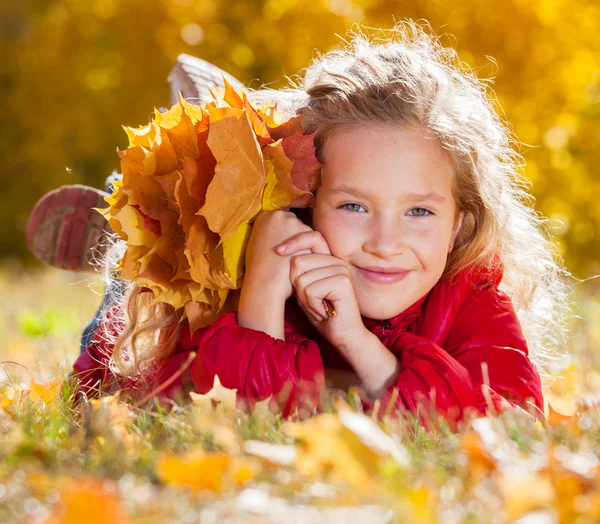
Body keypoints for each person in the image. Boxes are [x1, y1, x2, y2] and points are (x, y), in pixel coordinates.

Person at [69, 22, 571, 423]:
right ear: (304, 207)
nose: (385, 244)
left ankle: (224, 129)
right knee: (145, 270)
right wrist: (263, 291)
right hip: (212, 251)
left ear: (459, 225)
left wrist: (356, 341)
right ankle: (141, 206)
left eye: (419, 211)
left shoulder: (472, 289)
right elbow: (215, 414)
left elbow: (513, 421)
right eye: (354, 206)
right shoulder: (244, 277)